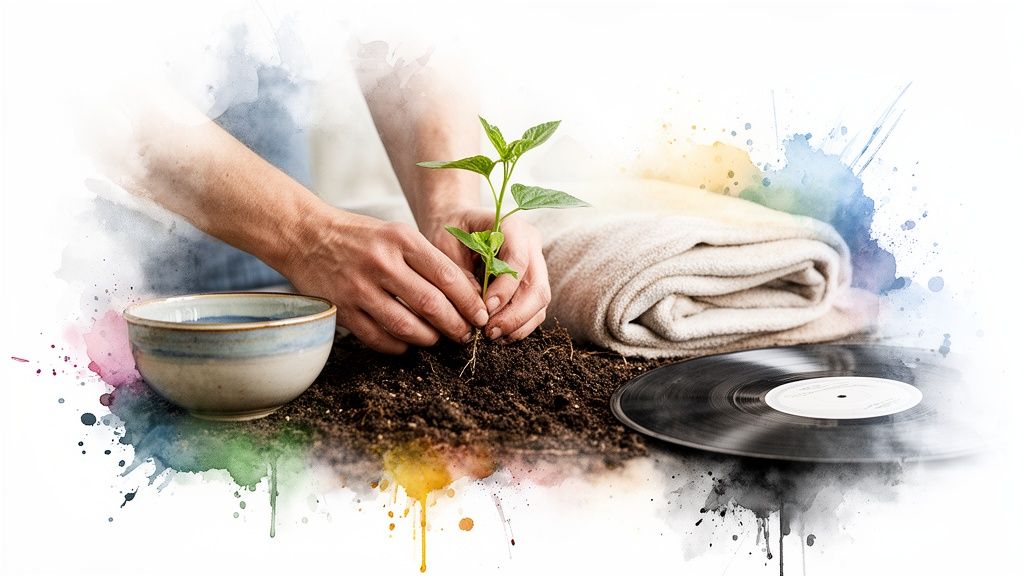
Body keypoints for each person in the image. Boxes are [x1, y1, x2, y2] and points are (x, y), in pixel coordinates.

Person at [97, 37, 551, 355]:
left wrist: (450, 207)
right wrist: (307, 235)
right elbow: (85, 75)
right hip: (93, 273)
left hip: (277, 286)